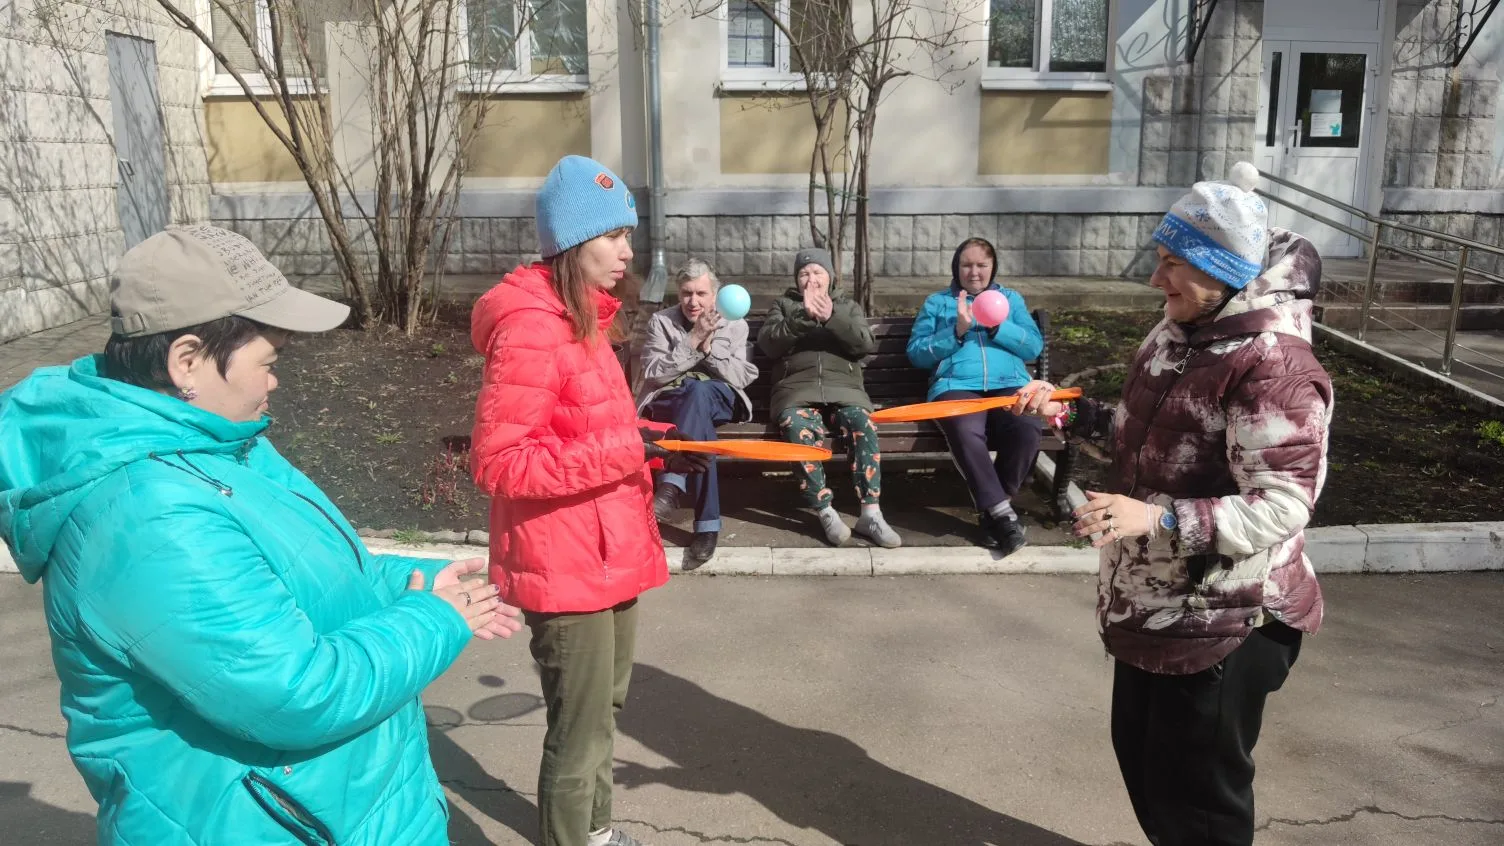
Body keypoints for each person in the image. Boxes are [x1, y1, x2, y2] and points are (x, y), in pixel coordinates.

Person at [0, 225, 522, 846]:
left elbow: (293, 570)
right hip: (274, 823)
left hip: (338, 807)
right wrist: (434, 619)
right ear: (187, 361)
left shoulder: (217, 445)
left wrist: (410, 580)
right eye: (267, 363)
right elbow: (295, 695)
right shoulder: (146, 515)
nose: (274, 382)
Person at [1014, 163, 1332, 846]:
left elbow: (1283, 505)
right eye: (1158, 258)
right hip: (1155, 603)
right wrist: (1067, 413)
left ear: (1221, 270)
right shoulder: (1179, 329)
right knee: (1147, 768)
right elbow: (1149, 434)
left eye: (1172, 263)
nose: (1155, 279)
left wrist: (1158, 519)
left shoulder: (1274, 367)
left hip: (1227, 616)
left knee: (1199, 806)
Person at [470, 155, 703, 846]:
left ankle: (595, 834)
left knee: (603, 712)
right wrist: (624, 450)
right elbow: (500, 462)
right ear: (573, 243)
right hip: (563, 562)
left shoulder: (587, 318)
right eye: (614, 235)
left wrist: (645, 439)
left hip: (607, 551)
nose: (628, 251)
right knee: (578, 730)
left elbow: (588, 428)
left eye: (628, 234)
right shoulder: (531, 327)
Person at [906, 237, 1043, 555]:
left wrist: (998, 327)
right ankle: (1004, 516)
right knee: (965, 429)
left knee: (1027, 428)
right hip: (956, 384)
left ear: (993, 267)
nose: (974, 272)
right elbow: (916, 353)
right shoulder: (938, 303)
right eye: (967, 265)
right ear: (956, 267)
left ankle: (995, 512)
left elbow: (1033, 346)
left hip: (1009, 383)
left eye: (982, 265)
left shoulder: (1010, 299)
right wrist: (956, 331)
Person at [757, 248, 900, 548]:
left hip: (844, 390)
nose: (811, 279)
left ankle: (871, 513)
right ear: (796, 281)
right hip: (796, 390)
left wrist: (832, 317)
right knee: (796, 427)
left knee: (862, 424)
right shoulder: (783, 306)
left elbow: (864, 344)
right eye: (804, 274)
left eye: (817, 272)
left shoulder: (847, 306)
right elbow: (769, 344)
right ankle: (824, 510)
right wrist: (802, 318)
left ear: (830, 277)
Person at [636, 258, 759, 568]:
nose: (693, 301)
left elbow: (742, 376)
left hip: (719, 396)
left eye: (701, 294)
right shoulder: (661, 322)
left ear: (714, 295)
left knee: (699, 391)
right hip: (671, 398)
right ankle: (707, 527)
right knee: (696, 409)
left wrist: (708, 351)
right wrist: (691, 341)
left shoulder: (735, 324)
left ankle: (671, 486)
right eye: (686, 293)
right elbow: (653, 373)